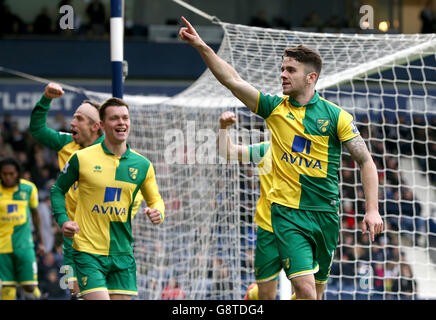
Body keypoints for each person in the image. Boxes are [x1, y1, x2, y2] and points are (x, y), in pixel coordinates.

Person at [179, 16, 384, 300]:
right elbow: (232, 80)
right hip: (286, 214)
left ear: (311, 77)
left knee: (315, 294)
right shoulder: (274, 109)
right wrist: (202, 45)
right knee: (305, 290)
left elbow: (366, 161)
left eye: (290, 70)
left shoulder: (336, 116)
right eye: (282, 69)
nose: (283, 75)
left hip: (325, 215)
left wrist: (372, 209)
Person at [30, 83, 145, 299]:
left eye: (79, 119)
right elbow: (37, 129)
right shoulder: (66, 143)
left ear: (95, 127)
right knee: (75, 292)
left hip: (103, 238)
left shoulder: (113, 151)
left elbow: (135, 192)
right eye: (73, 118)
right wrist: (46, 98)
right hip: (72, 235)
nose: (72, 123)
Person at [50, 97, 165, 300]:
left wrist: (158, 212)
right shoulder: (81, 158)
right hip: (87, 251)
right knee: (71, 291)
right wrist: (63, 220)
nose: (121, 122)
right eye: (114, 118)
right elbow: (57, 190)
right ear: (102, 125)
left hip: (123, 255)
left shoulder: (143, 165)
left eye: (125, 118)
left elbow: (155, 200)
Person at [218, 111, 284, 300]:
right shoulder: (265, 150)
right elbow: (227, 152)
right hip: (269, 228)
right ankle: (254, 294)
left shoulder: (307, 150)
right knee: (266, 296)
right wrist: (224, 128)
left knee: (307, 291)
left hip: (300, 229)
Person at [0, 158, 46, 300]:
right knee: (7, 287)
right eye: (4, 174)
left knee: (30, 286)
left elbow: (35, 215)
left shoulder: (29, 189)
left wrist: (41, 241)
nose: (8, 177)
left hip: (24, 245)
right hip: (2, 246)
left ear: (18, 173)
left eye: (11, 174)